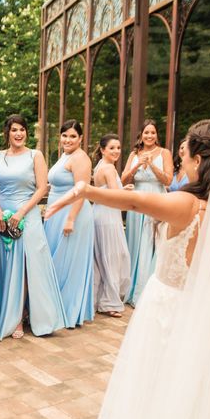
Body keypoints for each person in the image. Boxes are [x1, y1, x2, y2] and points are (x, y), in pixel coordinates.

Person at [46, 119, 210, 419]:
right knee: (208, 398)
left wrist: (86, 190)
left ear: (199, 161)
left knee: (156, 396)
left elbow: (134, 202)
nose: (180, 160)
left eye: (184, 153)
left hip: (168, 316)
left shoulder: (186, 205)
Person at [0, 115, 67, 340]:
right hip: (3, 216)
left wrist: (22, 212)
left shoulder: (35, 155)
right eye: (14, 130)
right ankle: (8, 312)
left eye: (22, 129)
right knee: (7, 265)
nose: (19, 134)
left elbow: (42, 188)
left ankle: (22, 316)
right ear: (8, 133)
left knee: (26, 265)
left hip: (28, 215)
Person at [43, 119, 94, 328]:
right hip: (57, 213)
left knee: (67, 263)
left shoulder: (81, 158)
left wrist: (71, 218)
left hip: (72, 214)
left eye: (73, 136)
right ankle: (54, 309)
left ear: (81, 138)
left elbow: (81, 192)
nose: (68, 139)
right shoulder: (65, 155)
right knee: (55, 261)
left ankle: (67, 312)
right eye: (65, 135)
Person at [120, 119, 172, 306]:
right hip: (136, 202)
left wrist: (152, 165)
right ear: (141, 135)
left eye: (153, 132)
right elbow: (123, 179)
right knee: (135, 242)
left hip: (156, 199)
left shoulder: (164, 153)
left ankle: (146, 291)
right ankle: (130, 288)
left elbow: (167, 180)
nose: (149, 136)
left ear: (157, 135)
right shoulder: (134, 154)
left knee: (150, 243)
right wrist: (136, 165)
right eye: (146, 132)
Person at [91, 134, 131, 318]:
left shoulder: (99, 167)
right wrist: (127, 191)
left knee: (102, 257)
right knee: (114, 256)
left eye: (118, 147)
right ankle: (110, 302)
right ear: (102, 150)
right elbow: (116, 196)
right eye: (112, 148)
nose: (116, 151)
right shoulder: (108, 169)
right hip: (108, 216)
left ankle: (101, 299)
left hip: (99, 214)